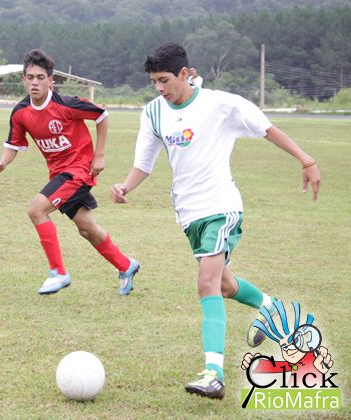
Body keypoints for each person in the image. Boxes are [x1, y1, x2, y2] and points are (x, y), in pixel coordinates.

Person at [110, 42, 320, 399]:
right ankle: (277, 311)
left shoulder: (221, 104)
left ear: (184, 74)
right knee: (224, 285)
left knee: (206, 283)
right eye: (154, 82)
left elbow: (267, 129)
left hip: (221, 208)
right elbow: (144, 163)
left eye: (164, 80)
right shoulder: (153, 113)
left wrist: (307, 160)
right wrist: (125, 187)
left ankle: (213, 373)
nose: (159, 88)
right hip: (188, 214)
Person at [0, 49, 140, 296]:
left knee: (36, 210)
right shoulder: (20, 112)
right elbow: (13, 144)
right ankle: (126, 266)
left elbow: (101, 115)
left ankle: (58, 273)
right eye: (30, 77)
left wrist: (99, 155)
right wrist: (3, 162)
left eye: (41, 77)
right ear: (24, 80)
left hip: (79, 171)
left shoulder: (67, 104)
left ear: (51, 81)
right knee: (86, 228)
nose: (35, 82)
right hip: (58, 175)